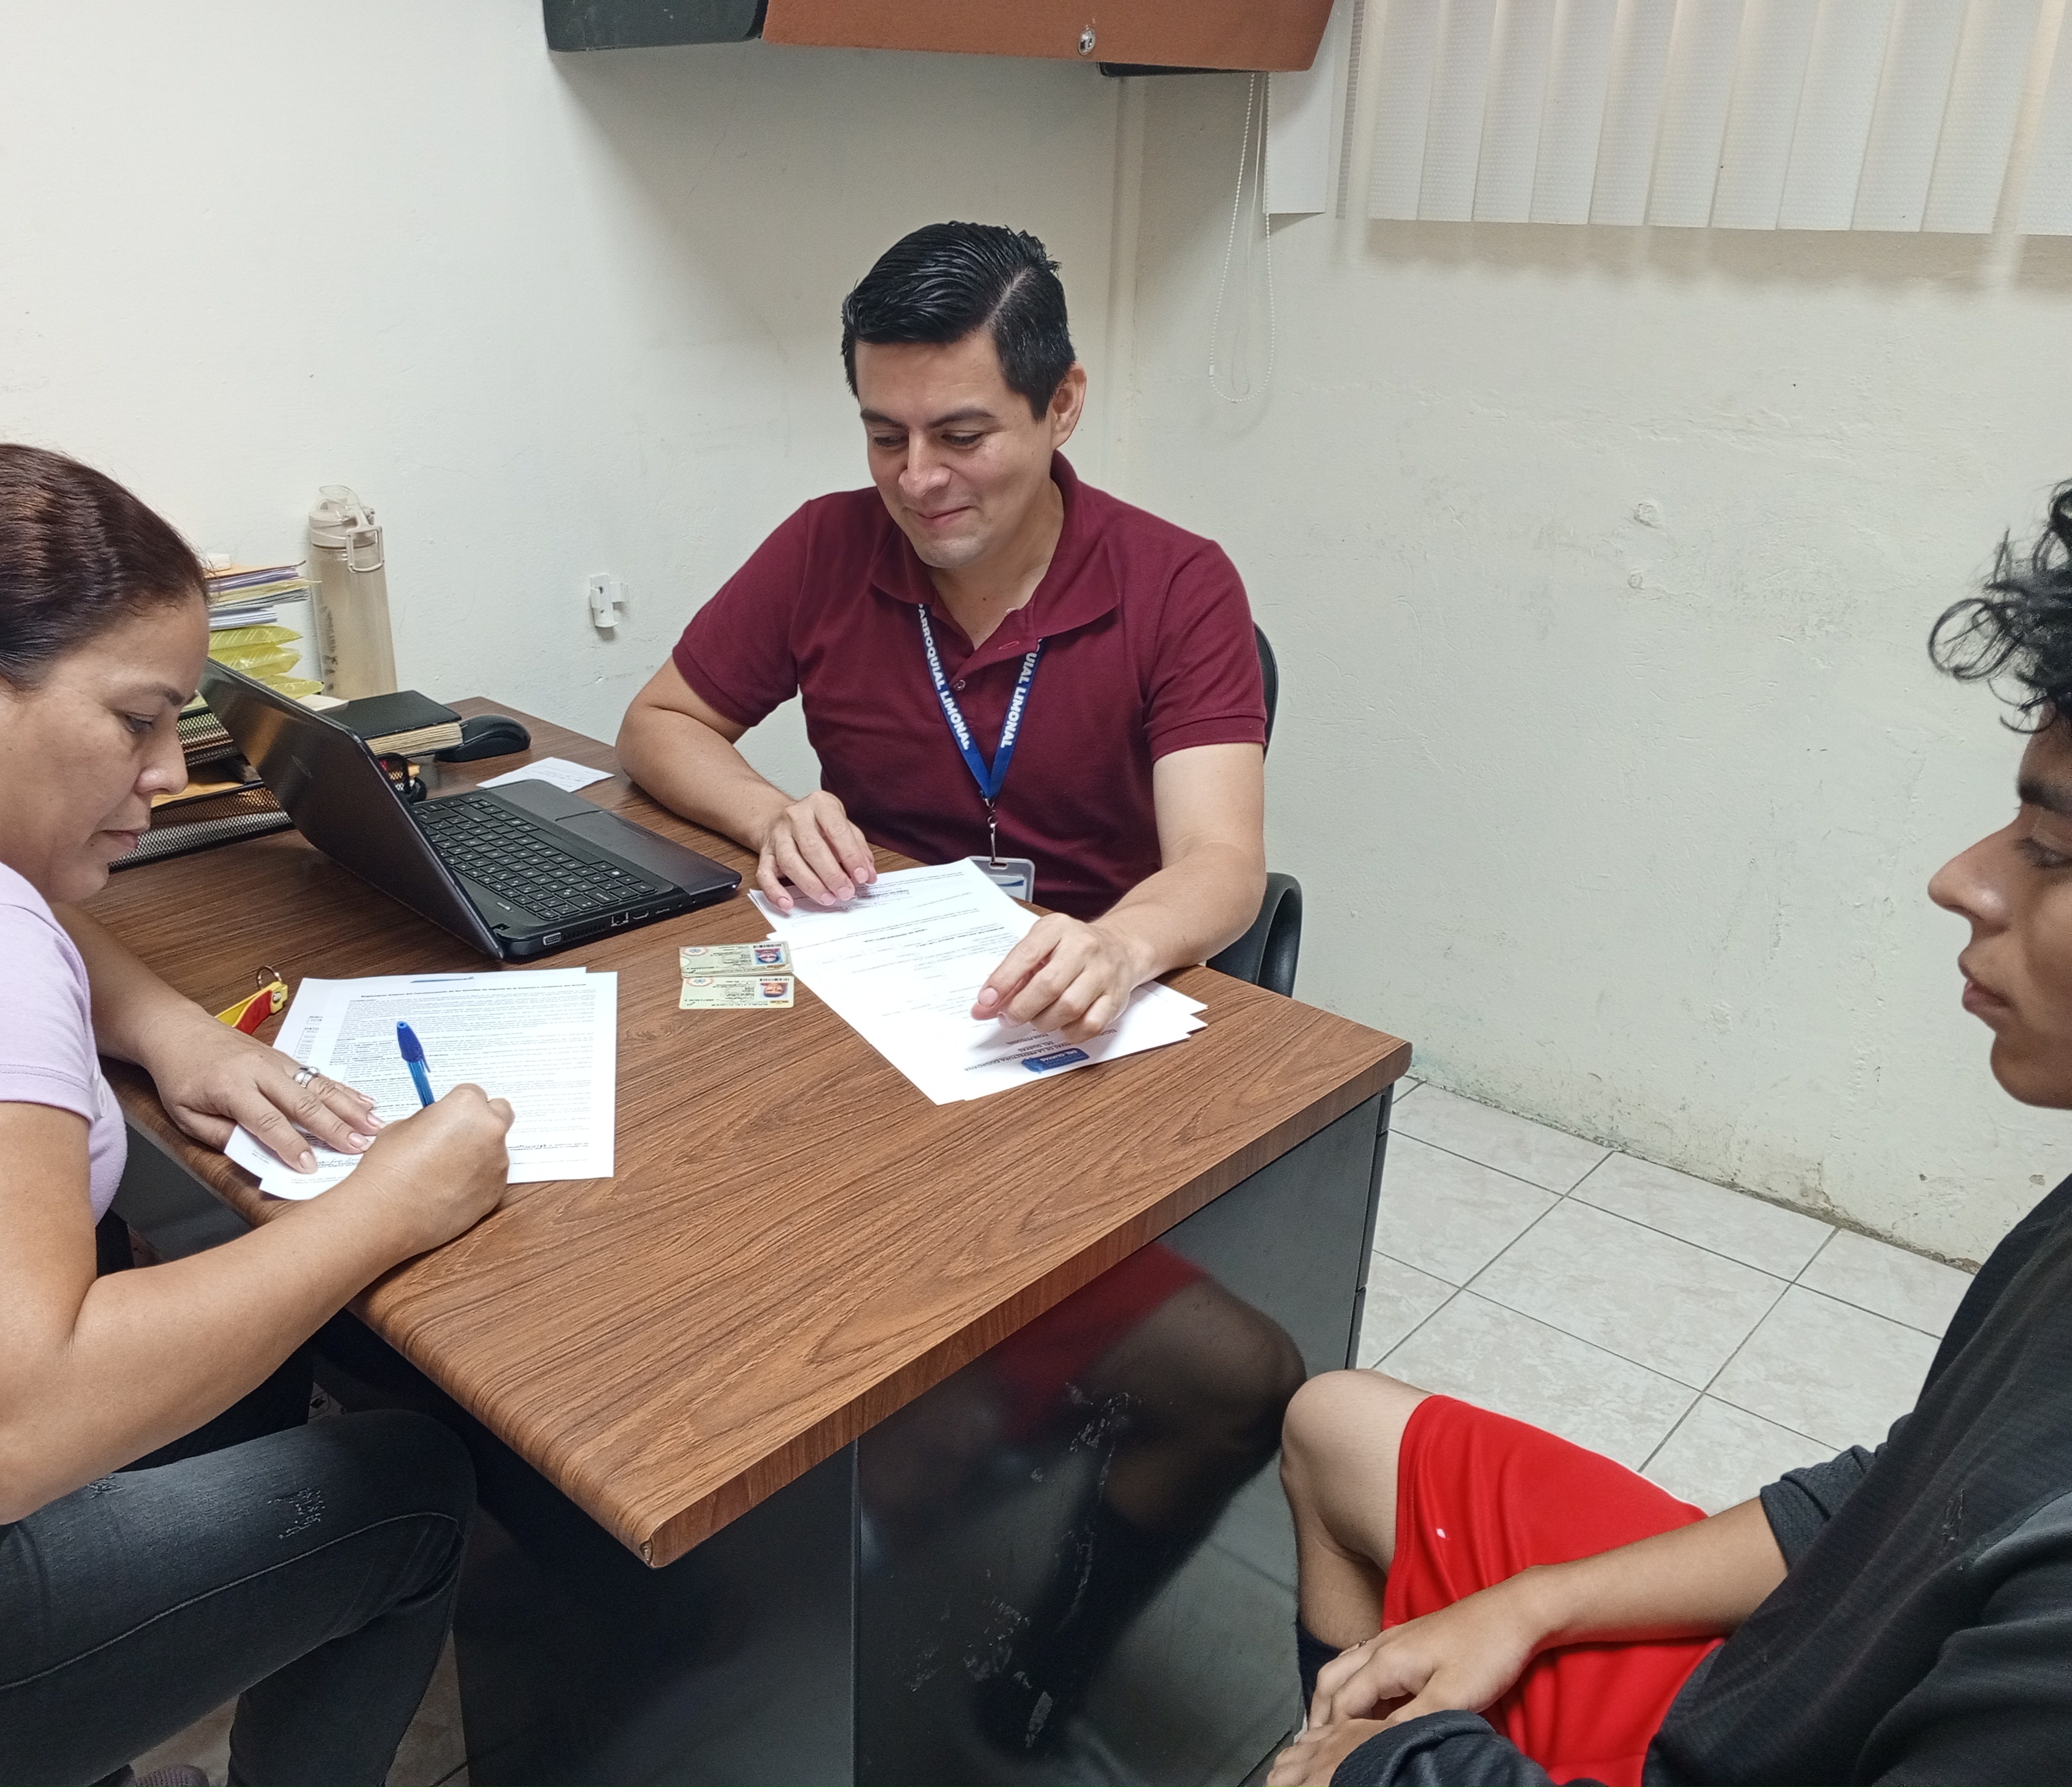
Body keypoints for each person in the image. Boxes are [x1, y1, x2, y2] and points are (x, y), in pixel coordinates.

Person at [0, 445, 515, 1787]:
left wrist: (169, 1025)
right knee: (410, 1486)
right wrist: (388, 1207)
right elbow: (9, 1436)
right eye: (136, 721)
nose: (169, 773)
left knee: (237, 1354)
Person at [618, 221, 1302, 1760]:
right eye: (884, 435)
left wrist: (1119, 941)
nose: (918, 480)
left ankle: (1034, 1656)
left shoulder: (1177, 583)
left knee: (1171, 1374)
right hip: (856, 1025)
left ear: (1063, 407)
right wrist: (767, 812)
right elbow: (661, 723)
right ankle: (731, 1600)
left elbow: (1220, 866)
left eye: (962, 434)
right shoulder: (823, 548)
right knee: (689, 1291)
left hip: (1052, 1049)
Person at [1268, 483, 2072, 1787]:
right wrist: (1530, 1604)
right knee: (1332, 1420)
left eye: (2050, 847)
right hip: (1782, 1682)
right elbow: (1903, 1495)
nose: (1962, 878)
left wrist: (1388, 1767)